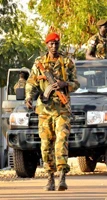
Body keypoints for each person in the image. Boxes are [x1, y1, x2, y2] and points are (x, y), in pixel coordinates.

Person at [25, 32, 80, 191]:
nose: (54, 46)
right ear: (46, 45)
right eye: (51, 43)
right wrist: (29, 97)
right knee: (45, 144)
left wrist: (64, 84)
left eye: (56, 43)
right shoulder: (39, 63)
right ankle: (49, 178)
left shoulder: (67, 62)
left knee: (61, 141)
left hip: (62, 109)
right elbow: (31, 83)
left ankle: (62, 176)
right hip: (44, 110)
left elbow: (76, 83)